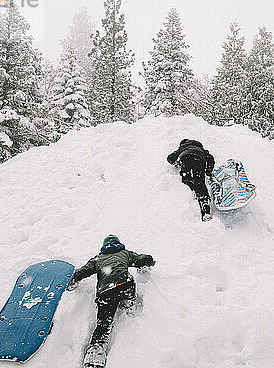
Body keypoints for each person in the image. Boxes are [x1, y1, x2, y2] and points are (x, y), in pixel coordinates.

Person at [68, 234, 155, 368]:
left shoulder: (98, 258)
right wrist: (149, 261)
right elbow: (141, 259)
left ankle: (96, 351)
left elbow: (83, 271)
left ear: (104, 246)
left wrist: (73, 280)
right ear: (118, 243)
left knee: (104, 321)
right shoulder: (124, 253)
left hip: (106, 291)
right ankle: (129, 304)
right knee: (128, 293)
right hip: (125, 283)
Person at [167, 139, 215, 221]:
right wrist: (208, 171)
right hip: (199, 158)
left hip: (186, 157)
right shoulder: (201, 149)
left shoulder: (183, 148)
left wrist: (176, 163)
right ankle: (204, 202)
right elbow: (210, 158)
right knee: (199, 181)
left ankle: (190, 191)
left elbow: (170, 158)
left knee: (186, 178)